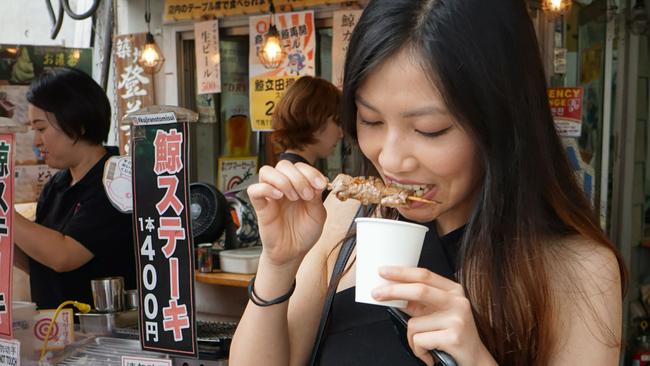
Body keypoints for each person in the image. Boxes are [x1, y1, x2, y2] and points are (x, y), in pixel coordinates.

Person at [230, 1, 626, 365]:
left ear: (502, 121)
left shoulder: (579, 271)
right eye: (370, 121)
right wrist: (277, 266)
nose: (389, 158)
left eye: (429, 129)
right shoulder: (343, 220)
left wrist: (475, 359)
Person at [13, 67, 136, 310]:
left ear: (77, 124)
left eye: (41, 128)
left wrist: (4, 211)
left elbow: (63, 255)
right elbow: (41, 260)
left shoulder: (117, 182)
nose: (36, 141)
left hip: (103, 334)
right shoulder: (56, 185)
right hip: (54, 331)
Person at [271, 75, 343, 166]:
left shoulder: (287, 168)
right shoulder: (298, 176)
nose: (341, 134)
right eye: (338, 123)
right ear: (316, 119)